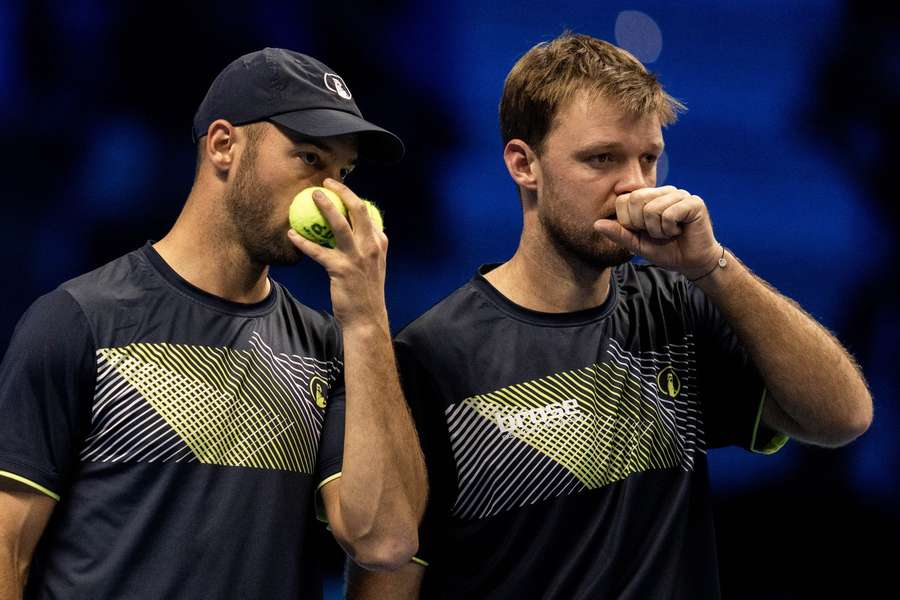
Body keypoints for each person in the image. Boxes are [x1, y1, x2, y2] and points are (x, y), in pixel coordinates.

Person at [347, 32, 872, 599]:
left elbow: (841, 417)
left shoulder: (680, 307)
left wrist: (714, 267)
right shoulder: (430, 354)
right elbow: (388, 581)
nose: (636, 185)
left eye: (647, 158)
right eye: (602, 159)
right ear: (524, 164)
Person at [0, 48, 426, 599]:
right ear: (224, 145)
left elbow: (385, 542)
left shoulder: (331, 345)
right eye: (309, 159)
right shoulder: (78, 320)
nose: (332, 197)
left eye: (343, 172)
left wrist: (368, 317)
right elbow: (8, 550)